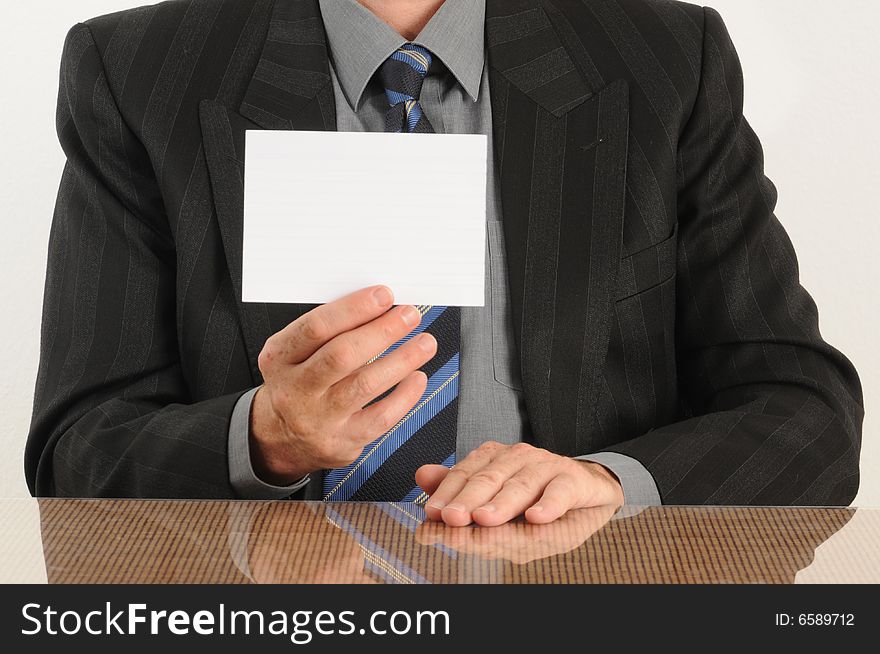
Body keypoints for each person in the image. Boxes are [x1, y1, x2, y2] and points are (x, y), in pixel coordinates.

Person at [27, 0, 863, 527]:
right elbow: (76, 452)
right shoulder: (137, 71)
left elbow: (808, 419)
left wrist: (607, 483)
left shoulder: (669, 59)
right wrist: (263, 439)